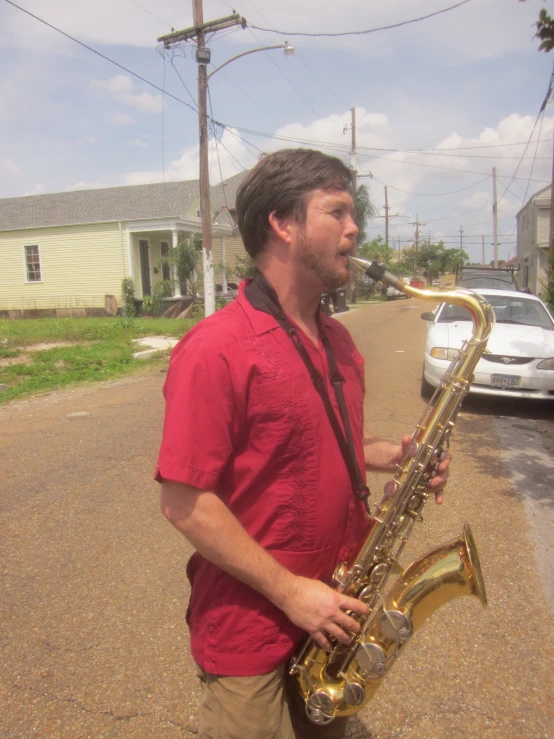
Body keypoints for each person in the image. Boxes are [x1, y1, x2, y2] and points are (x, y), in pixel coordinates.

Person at [155, 149, 450, 739]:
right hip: (252, 626)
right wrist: (291, 593)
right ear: (283, 225)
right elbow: (184, 500)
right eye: (337, 212)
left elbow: (310, 436)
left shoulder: (339, 341)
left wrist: (395, 455)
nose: (354, 229)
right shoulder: (216, 348)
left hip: (335, 607)